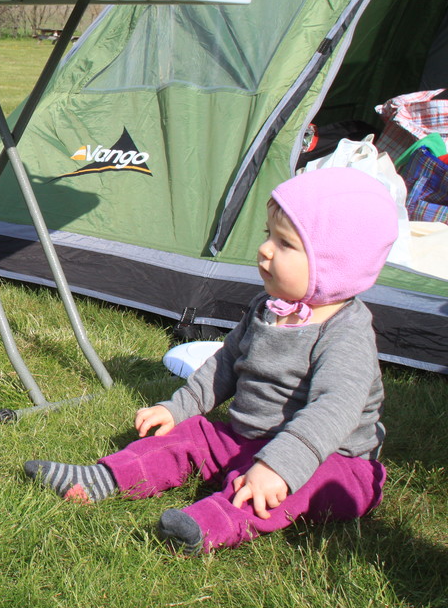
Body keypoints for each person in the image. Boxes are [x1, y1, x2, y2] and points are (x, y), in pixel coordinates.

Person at [24, 167, 400, 554]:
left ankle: (207, 525)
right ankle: (102, 478)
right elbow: (224, 365)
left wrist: (278, 467)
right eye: (268, 235)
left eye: (285, 244)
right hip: (249, 438)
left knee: (294, 486)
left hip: (330, 460)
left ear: (334, 265)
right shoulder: (266, 309)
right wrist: (179, 408)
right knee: (191, 437)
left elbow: (333, 410)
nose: (265, 249)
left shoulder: (346, 332)